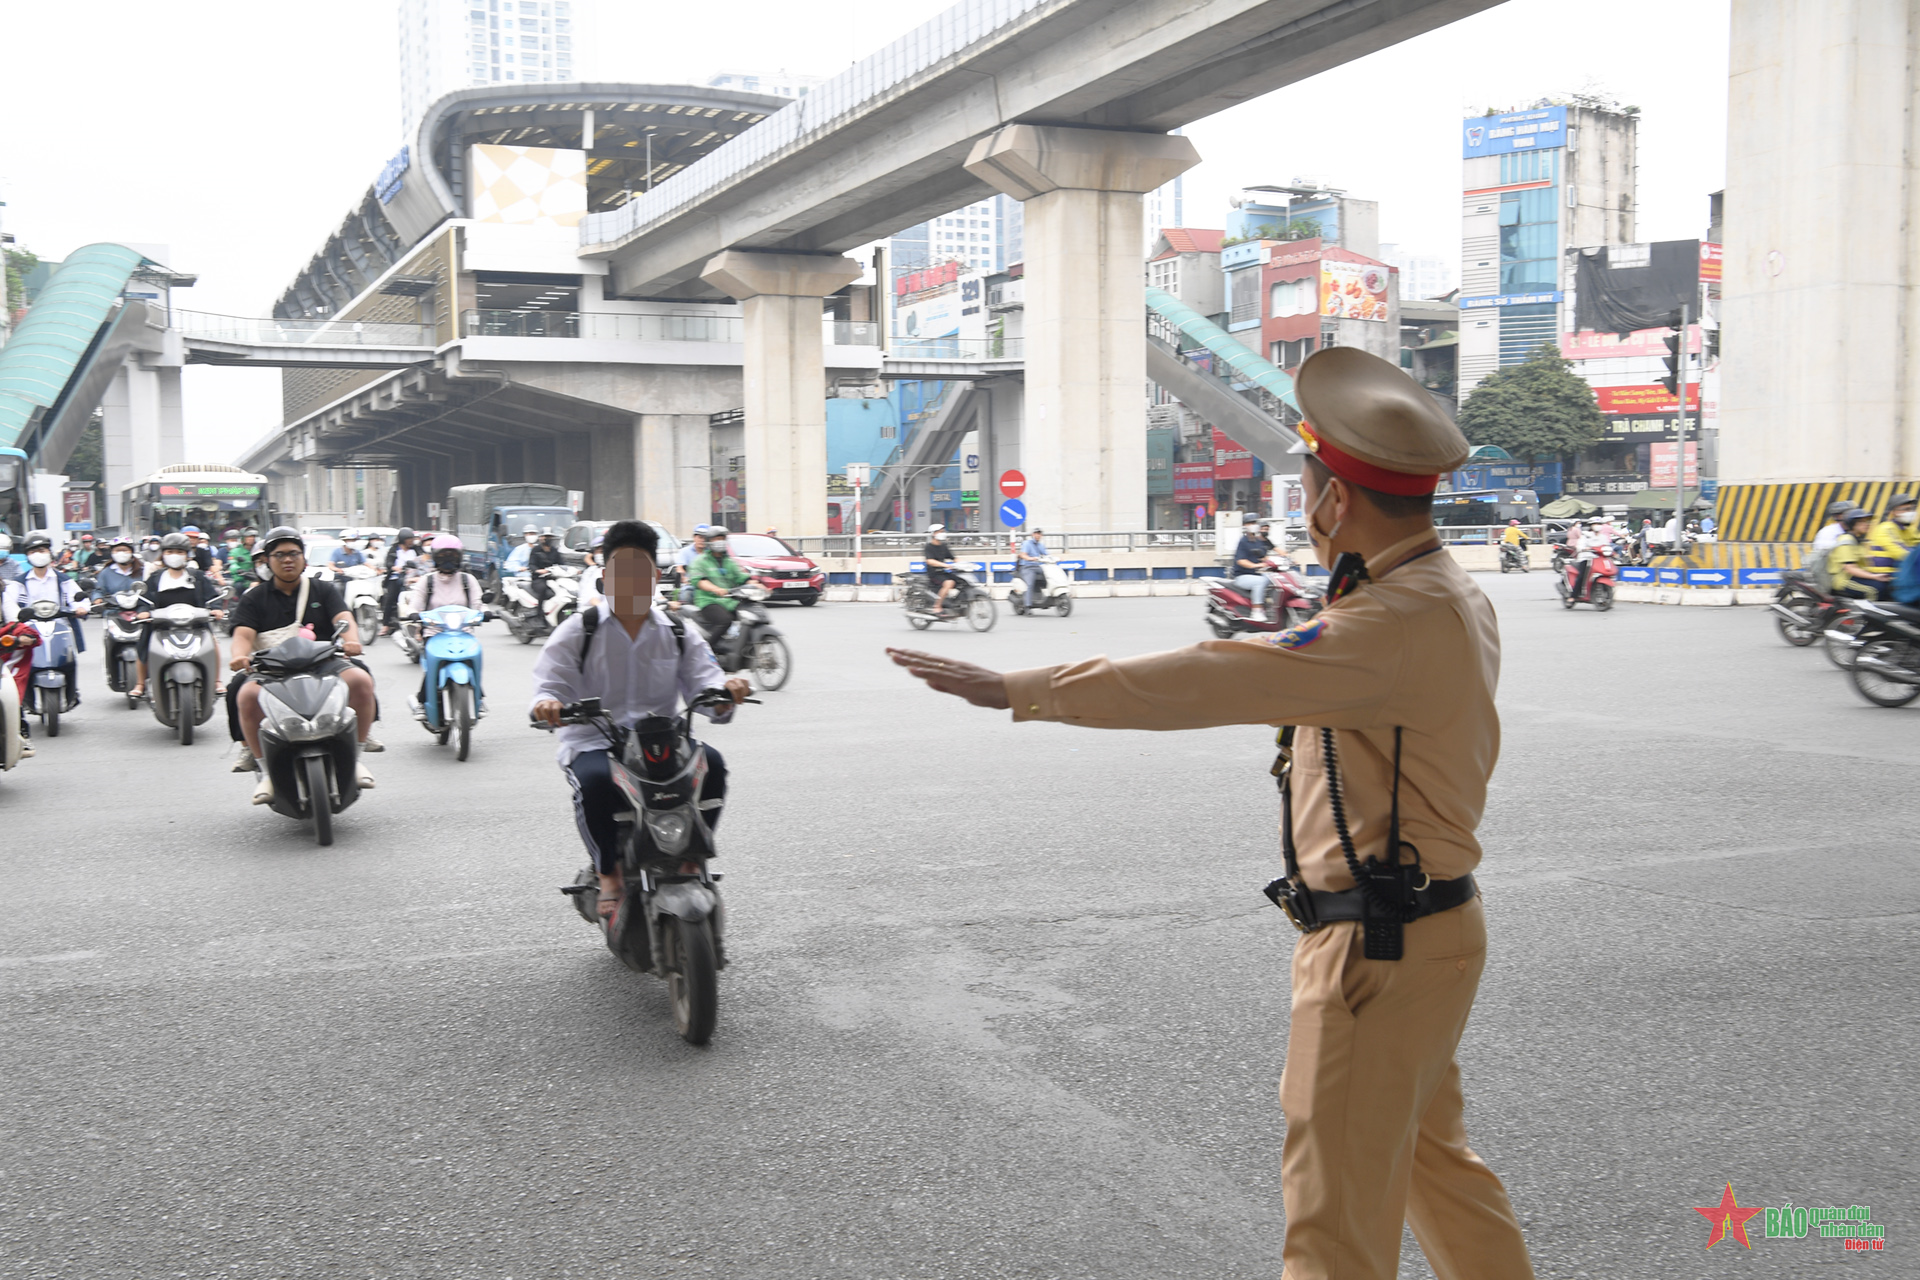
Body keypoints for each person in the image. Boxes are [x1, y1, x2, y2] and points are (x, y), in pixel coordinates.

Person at [889, 346, 1534, 1280]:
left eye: (1309, 488)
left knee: (1332, 1225)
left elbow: (1212, 675)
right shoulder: (1445, 593)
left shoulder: (1386, 621)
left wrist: (1020, 688)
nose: (1305, 511)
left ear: (1335, 501)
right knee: (1435, 1168)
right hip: (1432, 932)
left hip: (1376, 949)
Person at [530, 521, 750, 924]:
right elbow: (549, 685)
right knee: (594, 783)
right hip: (595, 743)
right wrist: (547, 704)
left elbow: (707, 686)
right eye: (620, 570)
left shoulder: (679, 631)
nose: (630, 580)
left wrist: (726, 692)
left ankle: (690, 858)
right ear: (604, 576)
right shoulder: (579, 630)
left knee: (713, 765)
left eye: (639, 570)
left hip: (661, 743)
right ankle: (608, 872)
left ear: (654, 576)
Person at [227, 527, 378, 801]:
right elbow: (243, 635)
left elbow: (344, 617)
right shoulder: (254, 598)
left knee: (361, 680)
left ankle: (356, 753)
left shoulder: (323, 589)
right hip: (271, 669)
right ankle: (264, 770)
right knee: (243, 692)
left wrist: (351, 639)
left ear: (303, 558)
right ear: (268, 561)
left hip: (322, 662)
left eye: (293, 554)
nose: (287, 560)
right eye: (279, 555)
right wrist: (239, 655)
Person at [3, 533, 92, 711]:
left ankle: (72, 693)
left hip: (60, 626)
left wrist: (81, 607)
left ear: (49, 553)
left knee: (69, 660)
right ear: (27, 556)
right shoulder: (19, 583)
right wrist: (17, 616)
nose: (38, 554)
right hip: (30, 628)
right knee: (25, 663)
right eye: (34, 551)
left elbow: (78, 598)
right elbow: (9, 603)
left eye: (42, 550)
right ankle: (24, 700)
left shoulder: (63, 580)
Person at [132, 533, 226, 700]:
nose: (174, 555)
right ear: (163, 554)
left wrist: (216, 609)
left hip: (194, 622)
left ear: (187, 554)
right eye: (169, 552)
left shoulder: (197, 577)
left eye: (179, 552)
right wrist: (143, 610)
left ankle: (217, 681)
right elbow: (145, 599)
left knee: (213, 642)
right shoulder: (156, 578)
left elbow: (211, 597)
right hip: (162, 624)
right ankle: (140, 683)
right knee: (144, 643)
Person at [688, 526, 750, 641]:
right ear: (709, 541)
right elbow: (699, 581)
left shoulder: (730, 561)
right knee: (725, 620)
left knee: (749, 615)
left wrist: (758, 585)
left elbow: (743, 577)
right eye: (716, 539)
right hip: (708, 600)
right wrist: (716, 589)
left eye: (722, 539)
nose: (719, 542)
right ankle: (708, 649)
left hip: (730, 600)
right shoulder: (700, 561)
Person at [1827, 509, 1888, 600]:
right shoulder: (1846, 541)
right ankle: (1869, 614)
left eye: (1868, 521)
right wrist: (1874, 576)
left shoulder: (1857, 540)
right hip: (1844, 579)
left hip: (1854, 576)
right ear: (1852, 524)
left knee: (1888, 586)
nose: (1867, 524)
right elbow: (1850, 568)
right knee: (1874, 590)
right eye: (1862, 522)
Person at [1231, 520, 1278, 621]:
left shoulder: (1257, 541)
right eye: (1250, 523)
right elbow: (1240, 560)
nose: (1253, 525)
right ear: (1245, 526)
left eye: (1255, 523)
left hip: (1254, 575)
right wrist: (1255, 565)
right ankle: (1256, 611)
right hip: (1241, 576)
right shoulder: (1243, 541)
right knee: (1261, 582)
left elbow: (1262, 556)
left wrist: (1275, 562)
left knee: (1274, 579)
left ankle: (1271, 606)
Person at [1864, 493, 1918, 579]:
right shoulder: (1885, 528)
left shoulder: (1909, 529)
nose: (1910, 512)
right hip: (1885, 575)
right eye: (1905, 509)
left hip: (1901, 572)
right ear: (1893, 512)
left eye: (1911, 509)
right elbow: (1900, 553)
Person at [380, 527, 422, 634]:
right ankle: (385, 624)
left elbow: (424, 559)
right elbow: (389, 563)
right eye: (409, 539)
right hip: (397, 577)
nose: (411, 541)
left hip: (414, 577)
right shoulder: (394, 549)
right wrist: (395, 568)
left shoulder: (416, 549)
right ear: (403, 539)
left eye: (412, 539)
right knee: (390, 599)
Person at [1806, 499, 1857, 575]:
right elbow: (1825, 556)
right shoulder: (1828, 532)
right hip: (1830, 573)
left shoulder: (1852, 531)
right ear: (1838, 516)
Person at [922, 525, 963, 615]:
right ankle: (937, 606)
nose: (943, 533)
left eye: (943, 531)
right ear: (933, 534)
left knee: (962, 581)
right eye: (940, 532)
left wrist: (962, 564)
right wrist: (944, 565)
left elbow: (953, 558)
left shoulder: (944, 546)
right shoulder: (929, 547)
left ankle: (955, 602)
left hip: (943, 572)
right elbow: (930, 561)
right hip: (934, 573)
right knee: (949, 583)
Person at [91, 537, 146, 601]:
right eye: (117, 550)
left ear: (131, 552)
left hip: (139, 607)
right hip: (114, 608)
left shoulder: (142, 571)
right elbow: (99, 591)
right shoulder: (105, 573)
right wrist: (97, 598)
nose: (121, 553)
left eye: (124, 550)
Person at [528, 532, 565, 605]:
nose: (548, 539)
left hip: (552, 577)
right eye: (546, 537)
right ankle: (540, 613)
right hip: (539, 578)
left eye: (550, 537)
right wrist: (538, 570)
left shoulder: (554, 550)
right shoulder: (536, 550)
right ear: (541, 538)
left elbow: (561, 563)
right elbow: (531, 564)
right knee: (543, 589)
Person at [675, 527, 709, 605]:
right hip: (691, 585)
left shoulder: (711, 552)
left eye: (705, 538)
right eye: (700, 537)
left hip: (710, 585)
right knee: (686, 596)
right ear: (694, 538)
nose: (702, 540)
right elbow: (680, 568)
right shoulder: (685, 551)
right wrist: (684, 578)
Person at [1016, 526, 1049, 603]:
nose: (1037, 535)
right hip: (1027, 567)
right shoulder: (1027, 543)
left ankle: (1044, 597)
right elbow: (1022, 555)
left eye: (1039, 534)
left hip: (1037, 566)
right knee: (1030, 583)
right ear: (1032, 535)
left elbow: (1047, 555)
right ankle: (1028, 604)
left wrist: (1056, 558)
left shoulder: (1041, 545)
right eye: (1036, 533)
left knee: (1048, 579)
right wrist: (1030, 558)